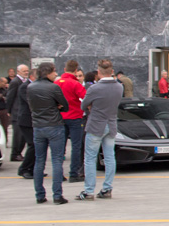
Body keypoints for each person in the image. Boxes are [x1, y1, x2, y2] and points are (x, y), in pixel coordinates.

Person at [75, 59, 123, 201]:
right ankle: (107, 188)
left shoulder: (94, 89)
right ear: (112, 71)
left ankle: (89, 190)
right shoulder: (119, 87)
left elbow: (83, 105)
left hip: (96, 124)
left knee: (90, 158)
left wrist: (92, 106)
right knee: (109, 157)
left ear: (99, 72)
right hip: (111, 123)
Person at [27, 62, 69, 205]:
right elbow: (65, 106)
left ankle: (39, 195)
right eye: (54, 71)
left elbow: (31, 106)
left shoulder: (31, 87)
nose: (56, 74)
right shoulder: (54, 87)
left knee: (39, 161)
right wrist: (56, 107)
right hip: (54, 125)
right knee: (57, 160)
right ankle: (57, 195)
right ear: (48, 72)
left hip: (38, 126)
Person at [55, 60, 86, 183]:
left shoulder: (56, 83)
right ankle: (74, 173)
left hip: (59, 118)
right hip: (75, 117)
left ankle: (59, 174)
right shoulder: (75, 84)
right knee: (76, 146)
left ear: (64, 69)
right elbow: (85, 98)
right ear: (75, 70)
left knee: (59, 148)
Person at [15, 70, 37, 179]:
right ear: (32, 77)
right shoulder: (25, 87)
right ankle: (24, 169)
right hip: (26, 120)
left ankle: (32, 169)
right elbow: (30, 101)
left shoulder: (33, 86)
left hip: (33, 120)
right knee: (33, 144)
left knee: (35, 145)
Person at [8, 64, 30, 162]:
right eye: (24, 71)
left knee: (22, 136)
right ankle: (15, 153)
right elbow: (10, 97)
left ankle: (19, 153)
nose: (26, 72)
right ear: (18, 71)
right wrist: (9, 110)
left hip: (21, 112)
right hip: (16, 112)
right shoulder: (15, 82)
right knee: (17, 135)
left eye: (27, 71)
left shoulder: (24, 81)